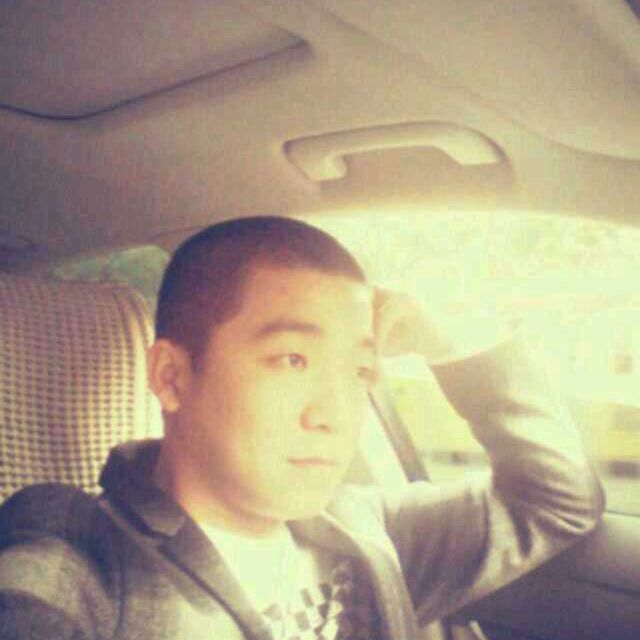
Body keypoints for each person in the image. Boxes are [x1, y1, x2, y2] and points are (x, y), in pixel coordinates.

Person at [0, 216, 603, 640]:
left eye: (359, 371)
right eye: (292, 360)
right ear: (172, 376)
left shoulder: (366, 527)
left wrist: (453, 345)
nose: (335, 415)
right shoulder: (81, 550)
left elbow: (558, 501)